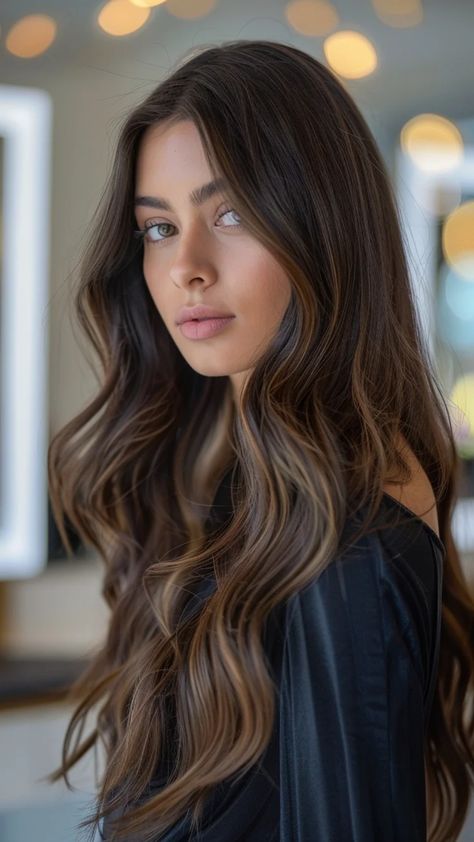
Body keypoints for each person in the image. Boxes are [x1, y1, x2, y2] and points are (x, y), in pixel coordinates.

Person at [45, 40, 474, 842]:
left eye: (232, 213)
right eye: (160, 228)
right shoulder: (250, 489)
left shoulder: (349, 535)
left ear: (323, 227)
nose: (187, 269)